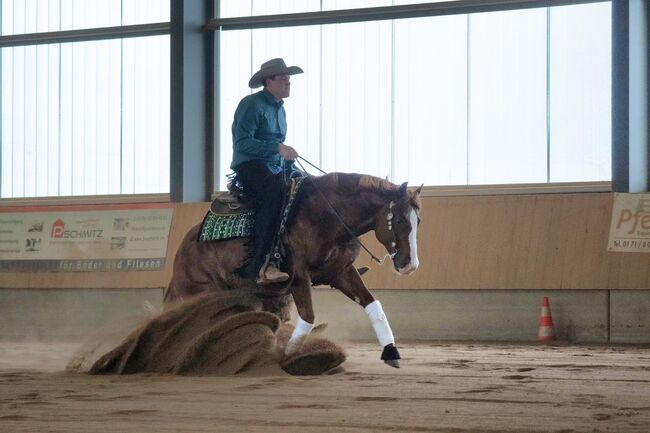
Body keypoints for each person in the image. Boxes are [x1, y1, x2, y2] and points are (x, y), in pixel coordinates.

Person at [230, 58, 303, 285]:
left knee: (308, 188)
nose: (288, 83)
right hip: (250, 165)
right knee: (274, 196)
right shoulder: (251, 104)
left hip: (274, 165)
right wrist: (277, 148)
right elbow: (242, 143)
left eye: (288, 79)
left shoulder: (281, 111)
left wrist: (284, 157)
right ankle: (262, 264)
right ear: (267, 81)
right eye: (282, 79)